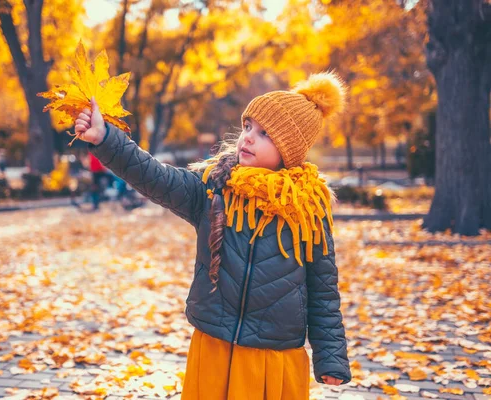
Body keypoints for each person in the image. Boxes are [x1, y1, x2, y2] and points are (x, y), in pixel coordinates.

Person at [75, 72, 352, 399]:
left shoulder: (307, 209)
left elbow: (322, 287)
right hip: (214, 346)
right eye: (248, 127)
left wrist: (330, 357)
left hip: (272, 357)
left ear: (290, 149)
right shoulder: (213, 188)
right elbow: (155, 176)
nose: (247, 137)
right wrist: (106, 139)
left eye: (264, 134)